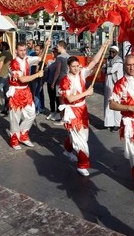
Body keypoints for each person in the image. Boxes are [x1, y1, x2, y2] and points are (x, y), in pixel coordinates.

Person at [58, 43, 108, 176]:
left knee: (82, 136)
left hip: (83, 110)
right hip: (73, 111)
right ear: (68, 67)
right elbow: (69, 99)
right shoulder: (65, 81)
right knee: (81, 141)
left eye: (77, 66)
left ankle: (67, 149)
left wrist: (103, 48)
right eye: (73, 66)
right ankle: (82, 164)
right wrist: (86, 93)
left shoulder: (81, 74)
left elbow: (95, 62)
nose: (76, 68)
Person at [108, 54, 134, 198]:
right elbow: (112, 104)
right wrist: (129, 108)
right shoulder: (121, 83)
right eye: (128, 65)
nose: (131, 67)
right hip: (130, 125)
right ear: (125, 66)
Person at [6, 42, 45, 149]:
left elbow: (40, 58)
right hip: (16, 92)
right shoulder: (13, 64)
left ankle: (23, 134)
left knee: (31, 113)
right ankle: (14, 139)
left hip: (26, 91)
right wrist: (37, 75)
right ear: (16, 51)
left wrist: (46, 46)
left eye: (24, 50)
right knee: (15, 118)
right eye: (21, 50)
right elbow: (22, 79)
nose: (23, 52)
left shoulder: (27, 58)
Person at [103, 45, 123, 131]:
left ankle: (117, 123)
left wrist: (105, 67)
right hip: (108, 83)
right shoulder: (108, 59)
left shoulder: (119, 61)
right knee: (108, 102)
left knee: (115, 101)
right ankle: (109, 122)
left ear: (117, 53)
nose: (111, 53)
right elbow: (104, 69)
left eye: (113, 52)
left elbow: (110, 70)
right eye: (110, 51)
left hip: (116, 84)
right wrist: (104, 68)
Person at [49, 41, 69, 123]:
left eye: (57, 46)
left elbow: (58, 71)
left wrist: (53, 82)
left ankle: (63, 119)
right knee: (66, 100)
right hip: (67, 80)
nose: (57, 48)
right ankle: (66, 117)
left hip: (60, 81)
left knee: (61, 101)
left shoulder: (60, 57)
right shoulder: (69, 56)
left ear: (61, 47)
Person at [45, 47, 59, 119]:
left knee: (57, 98)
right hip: (49, 82)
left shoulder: (59, 62)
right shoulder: (50, 61)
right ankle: (52, 112)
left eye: (53, 52)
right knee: (51, 98)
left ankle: (58, 113)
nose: (51, 53)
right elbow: (47, 72)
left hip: (56, 83)